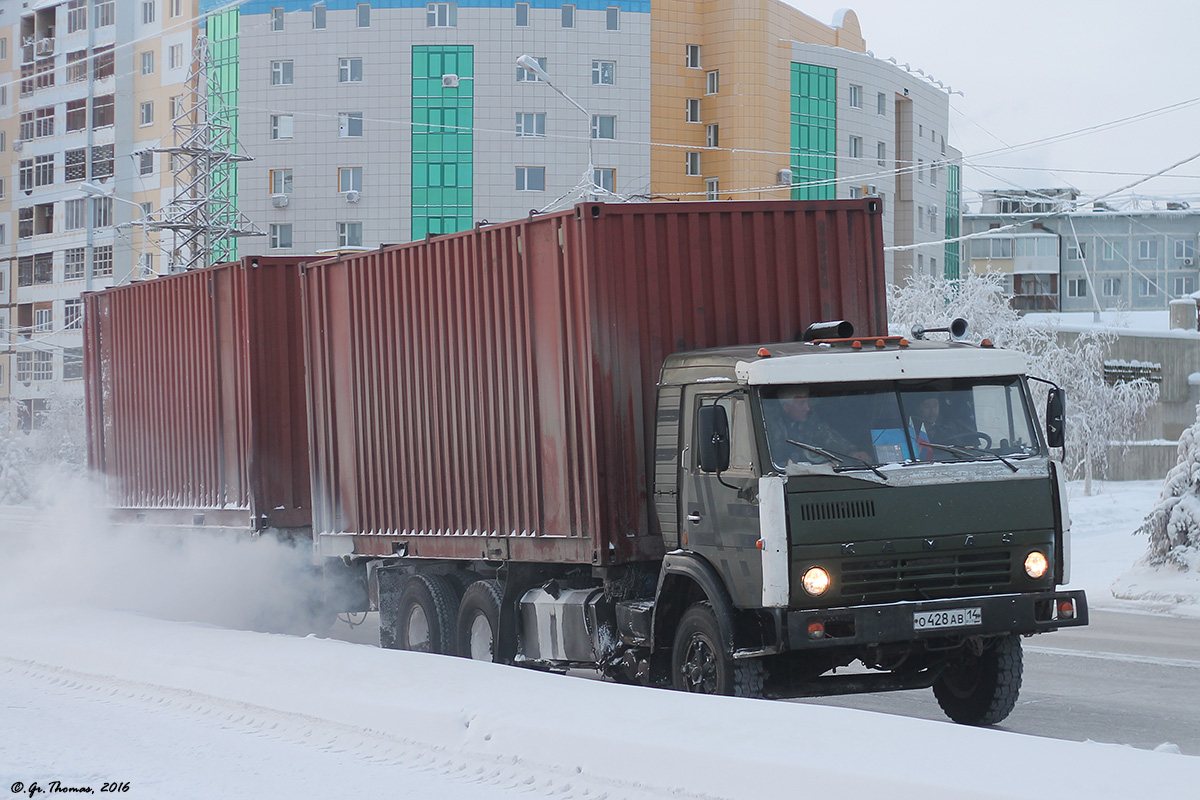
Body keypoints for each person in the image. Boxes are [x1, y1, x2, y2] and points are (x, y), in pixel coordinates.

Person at [765, 386, 871, 466]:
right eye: (801, 403)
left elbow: (828, 437)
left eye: (807, 402)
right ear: (786, 407)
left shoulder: (811, 420)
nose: (807, 408)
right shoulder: (767, 423)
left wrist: (851, 452)